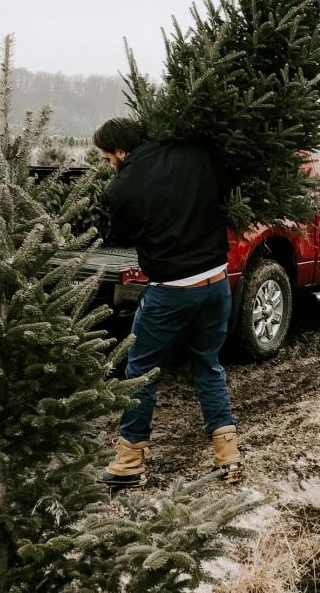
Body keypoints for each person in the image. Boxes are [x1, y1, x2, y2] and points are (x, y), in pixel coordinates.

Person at [93, 117, 242, 488]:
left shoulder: (122, 187)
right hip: (217, 282)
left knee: (141, 371)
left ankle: (129, 463)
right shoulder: (196, 154)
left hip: (172, 291)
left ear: (121, 151)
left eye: (108, 156)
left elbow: (121, 236)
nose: (110, 163)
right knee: (208, 365)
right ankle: (229, 457)